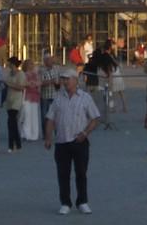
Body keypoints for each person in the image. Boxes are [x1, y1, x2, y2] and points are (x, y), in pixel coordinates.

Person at [45, 70, 101, 215]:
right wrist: (48, 137)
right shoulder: (58, 98)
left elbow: (95, 118)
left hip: (79, 141)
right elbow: (50, 118)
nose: (64, 82)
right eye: (63, 79)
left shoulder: (85, 98)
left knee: (81, 172)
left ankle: (82, 201)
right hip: (62, 141)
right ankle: (65, 203)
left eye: (67, 79)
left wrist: (85, 133)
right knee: (63, 174)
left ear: (75, 80)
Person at [3, 56, 26, 152]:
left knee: (11, 122)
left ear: (13, 64)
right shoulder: (9, 73)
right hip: (9, 99)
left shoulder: (20, 74)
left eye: (10, 63)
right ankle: (18, 144)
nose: (8, 65)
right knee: (13, 123)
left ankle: (11, 145)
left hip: (17, 100)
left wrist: (9, 84)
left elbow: (21, 87)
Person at [21, 58, 43, 144]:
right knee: (26, 115)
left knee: (34, 116)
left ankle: (34, 135)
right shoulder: (23, 74)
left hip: (35, 96)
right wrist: (31, 84)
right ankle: (26, 134)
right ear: (26, 65)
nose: (31, 65)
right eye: (30, 64)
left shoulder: (35, 74)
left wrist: (34, 84)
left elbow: (39, 83)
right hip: (26, 96)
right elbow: (23, 83)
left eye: (32, 64)